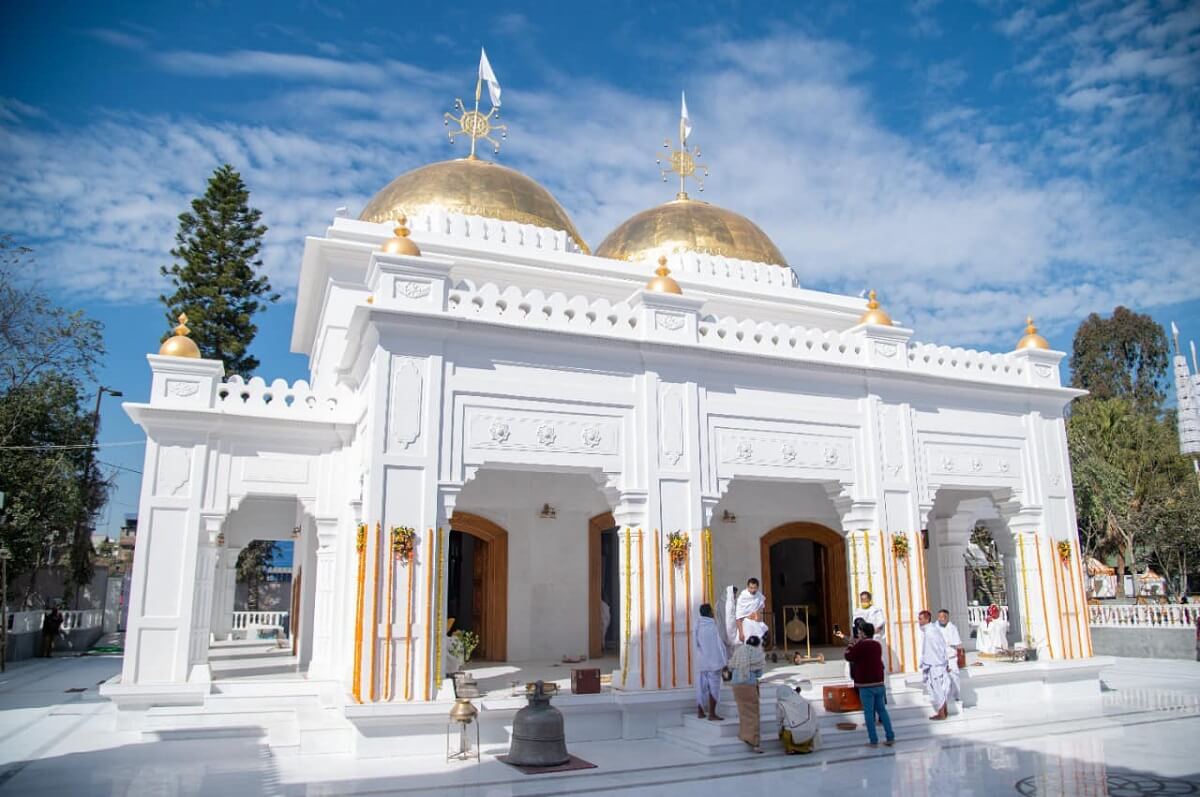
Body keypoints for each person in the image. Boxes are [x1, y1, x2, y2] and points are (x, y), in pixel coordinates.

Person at [844, 621, 895, 747]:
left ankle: (873, 740)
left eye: (860, 631)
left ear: (862, 633)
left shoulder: (860, 646)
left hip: (866, 685)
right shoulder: (877, 645)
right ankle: (890, 736)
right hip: (879, 683)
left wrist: (850, 644)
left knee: (868, 713)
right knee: (882, 710)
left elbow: (848, 656)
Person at [728, 634, 766, 753]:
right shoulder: (757, 654)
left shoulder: (739, 651)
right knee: (753, 714)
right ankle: (755, 742)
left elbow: (731, 666)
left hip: (736, 686)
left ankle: (744, 735)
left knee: (743, 712)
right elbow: (759, 674)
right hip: (749, 685)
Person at [918, 610, 958, 720]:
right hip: (939, 663)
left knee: (937, 689)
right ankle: (944, 711)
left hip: (934, 664)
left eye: (921, 619)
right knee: (941, 688)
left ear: (927, 619)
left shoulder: (930, 632)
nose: (919, 621)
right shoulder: (933, 630)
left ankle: (941, 713)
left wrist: (925, 663)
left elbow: (930, 651)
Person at [694, 603, 727, 721]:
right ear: (709, 613)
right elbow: (718, 646)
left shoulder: (697, 625)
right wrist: (724, 663)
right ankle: (712, 713)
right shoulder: (712, 626)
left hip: (701, 661)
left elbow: (695, 644)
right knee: (714, 687)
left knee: (701, 686)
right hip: (714, 662)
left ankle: (700, 711)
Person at [776, 680, 820, 754]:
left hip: (792, 736)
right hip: (809, 734)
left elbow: (779, 721)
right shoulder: (803, 700)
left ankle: (791, 748)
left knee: (784, 732)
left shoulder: (781, 705)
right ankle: (805, 747)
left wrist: (779, 733)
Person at [732, 579, 768, 644]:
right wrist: (741, 633)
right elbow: (738, 616)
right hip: (746, 627)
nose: (753, 590)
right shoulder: (742, 598)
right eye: (751, 588)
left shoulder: (759, 596)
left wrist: (757, 615)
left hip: (756, 626)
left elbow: (759, 610)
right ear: (748, 587)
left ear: (758, 587)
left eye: (755, 588)